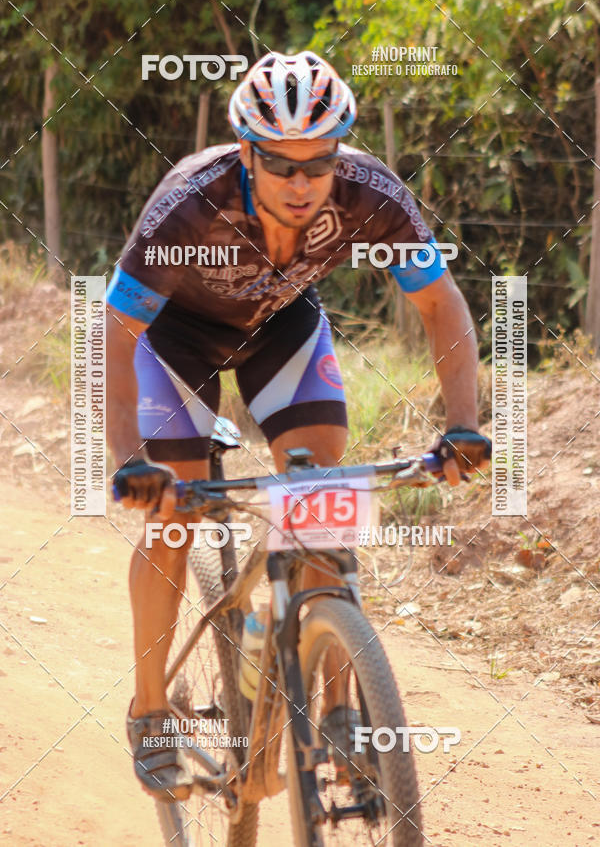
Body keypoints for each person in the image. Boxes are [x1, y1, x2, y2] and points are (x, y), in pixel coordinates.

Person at [106, 49, 490, 803]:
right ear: (247, 152)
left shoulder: (370, 193)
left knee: (319, 489)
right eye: (281, 165)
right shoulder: (189, 203)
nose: (303, 184)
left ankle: (343, 710)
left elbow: (441, 304)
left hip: (281, 328)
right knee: (173, 517)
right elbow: (115, 334)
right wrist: (128, 460)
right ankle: (151, 710)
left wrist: (465, 425)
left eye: (319, 164)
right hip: (172, 342)